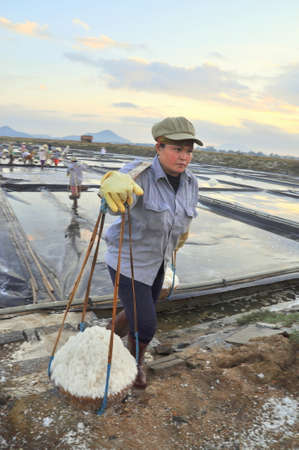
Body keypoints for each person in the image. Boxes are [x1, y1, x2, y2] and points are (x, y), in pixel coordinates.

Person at [99, 116, 203, 389]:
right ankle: (135, 366)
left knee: (139, 309)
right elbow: (113, 203)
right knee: (146, 325)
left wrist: (180, 237)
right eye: (177, 149)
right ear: (158, 147)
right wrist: (112, 185)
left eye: (189, 150)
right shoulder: (138, 174)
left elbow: (183, 218)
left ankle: (107, 337)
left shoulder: (191, 182)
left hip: (158, 261)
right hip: (128, 261)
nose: (184, 157)